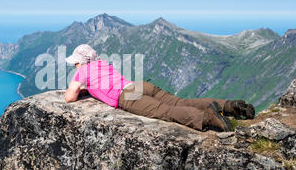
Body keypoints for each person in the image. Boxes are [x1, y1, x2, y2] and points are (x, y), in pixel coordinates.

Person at [65, 44, 255, 132]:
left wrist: (81, 86)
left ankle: (208, 117)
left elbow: (69, 97)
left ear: (80, 63)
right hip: (139, 86)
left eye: (75, 63)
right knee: (181, 101)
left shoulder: (83, 71)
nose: (75, 66)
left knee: (167, 112)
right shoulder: (103, 64)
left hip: (127, 97)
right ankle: (230, 106)